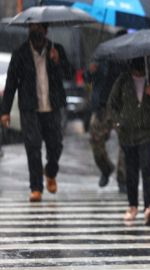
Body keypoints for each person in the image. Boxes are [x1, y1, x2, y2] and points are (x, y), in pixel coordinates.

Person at [1, 23, 73, 202]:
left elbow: (70, 74)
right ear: (29, 32)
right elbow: (11, 83)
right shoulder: (20, 53)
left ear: (46, 31)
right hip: (29, 108)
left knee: (55, 145)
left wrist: (58, 61)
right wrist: (5, 111)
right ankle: (36, 187)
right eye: (33, 30)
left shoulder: (57, 50)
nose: (37, 35)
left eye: (40, 30)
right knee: (32, 147)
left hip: (52, 107)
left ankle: (50, 171)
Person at [108, 57, 150, 225]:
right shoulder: (123, 81)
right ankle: (132, 205)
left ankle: (149, 206)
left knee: (148, 169)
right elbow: (112, 104)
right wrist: (118, 123)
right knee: (131, 171)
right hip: (128, 134)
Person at [84, 29, 128, 192]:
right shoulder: (103, 55)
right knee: (96, 141)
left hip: (122, 107)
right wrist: (91, 70)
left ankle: (123, 178)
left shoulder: (130, 59)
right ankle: (106, 168)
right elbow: (88, 77)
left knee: (126, 144)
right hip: (102, 106)